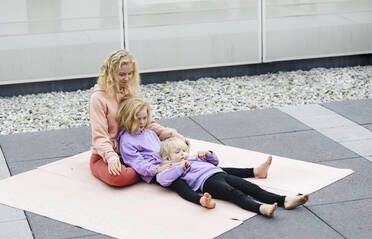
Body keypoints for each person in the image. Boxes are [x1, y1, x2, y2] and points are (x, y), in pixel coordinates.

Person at [117, 96, 277, 209]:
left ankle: (255, 171)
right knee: (180, 184)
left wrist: (174, 149)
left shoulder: (148, 132)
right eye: (138, 119)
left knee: (208, 170)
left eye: (145, 118)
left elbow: (159, 147)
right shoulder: (126, 140)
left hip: (167, 163)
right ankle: (200, 200)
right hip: (154, 172)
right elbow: (137, 162)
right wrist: (157, 169)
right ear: (127, 118)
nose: (143, 122)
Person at [89, 49, 190, 187]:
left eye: (130, 73)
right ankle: (145, 171)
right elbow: (99, 137)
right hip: (106, 155)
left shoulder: (129, 90)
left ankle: (145, 170)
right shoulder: (98, 98)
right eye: (122, 74)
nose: (127, 78)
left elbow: (147, 123)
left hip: (133, 151)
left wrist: (173, 135)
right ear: (110, 73)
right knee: (121, 177)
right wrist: (111, 156)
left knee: (171, 155)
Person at [157, 136, 309, 217]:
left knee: (251, 187)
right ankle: (260, 208)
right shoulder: (173, 167)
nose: (183, 154)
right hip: (208, 183)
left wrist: (208, 154)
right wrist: (179, 168)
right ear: (168, 158)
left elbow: (216, 162)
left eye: (184, 150)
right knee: (235, 194)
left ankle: (284, 200)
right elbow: (163, 179)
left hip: (220, 174)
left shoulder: (193, 158)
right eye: (177, 152)